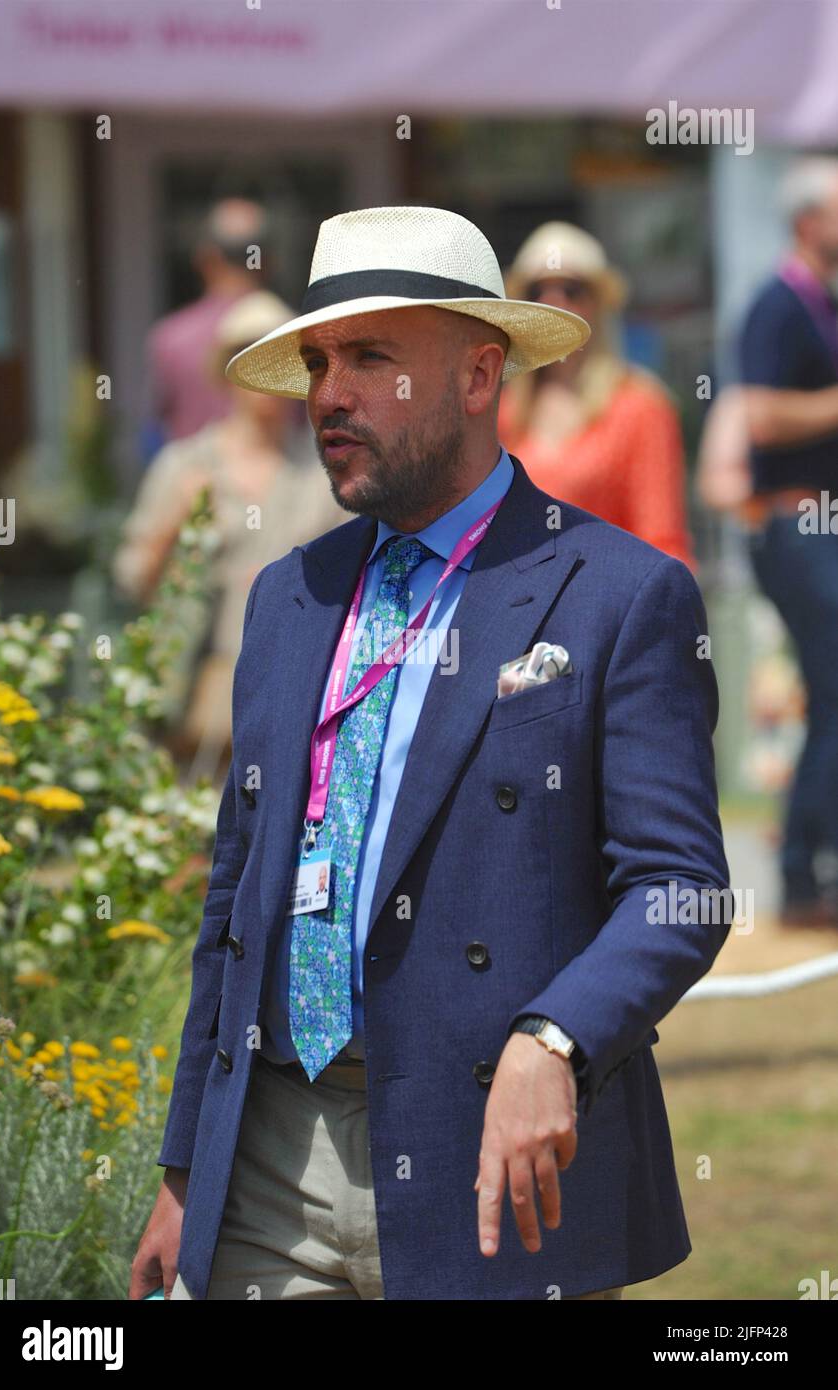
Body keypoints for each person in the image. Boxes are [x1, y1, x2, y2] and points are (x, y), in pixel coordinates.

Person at [130, 205, 732, 1302]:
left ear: (476, 374)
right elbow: (236, 898)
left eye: (369, 357)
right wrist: (187, 1168)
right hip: (270, 1157)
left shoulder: (617, 594)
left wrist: (555, 1037)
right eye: (316, 360)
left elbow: (678, 887)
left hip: (494, 1176)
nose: (326, 394)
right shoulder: (286, 597)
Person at [113, 291, 350, 775]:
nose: (264, 379)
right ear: (231, 371)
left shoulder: (327, 464)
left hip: (301, 692)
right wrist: (175, 523)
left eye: (279, 359)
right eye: (252, 359)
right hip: (199, 701)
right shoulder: (185, 464)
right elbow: (133, 580)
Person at [735, 156, 838, 928]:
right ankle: (802, 875)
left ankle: (812, 870)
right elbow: (760, 417)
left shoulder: (820, 306)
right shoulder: (777, 306)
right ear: (809, 221)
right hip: (795, 527)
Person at [499, 221, 696, 571]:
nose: (553, 301)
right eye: (537, 290)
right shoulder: (504, 409)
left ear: (598, 305)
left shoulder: (641, 406)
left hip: (607, 603)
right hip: (518, 607)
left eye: (571, 290)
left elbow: (663, 538)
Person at [145, 198, 270, 446]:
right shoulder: (291, 333)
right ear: (266, 260)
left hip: (193, 483)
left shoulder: (171, 339)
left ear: (207, 259)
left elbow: (152, 435)